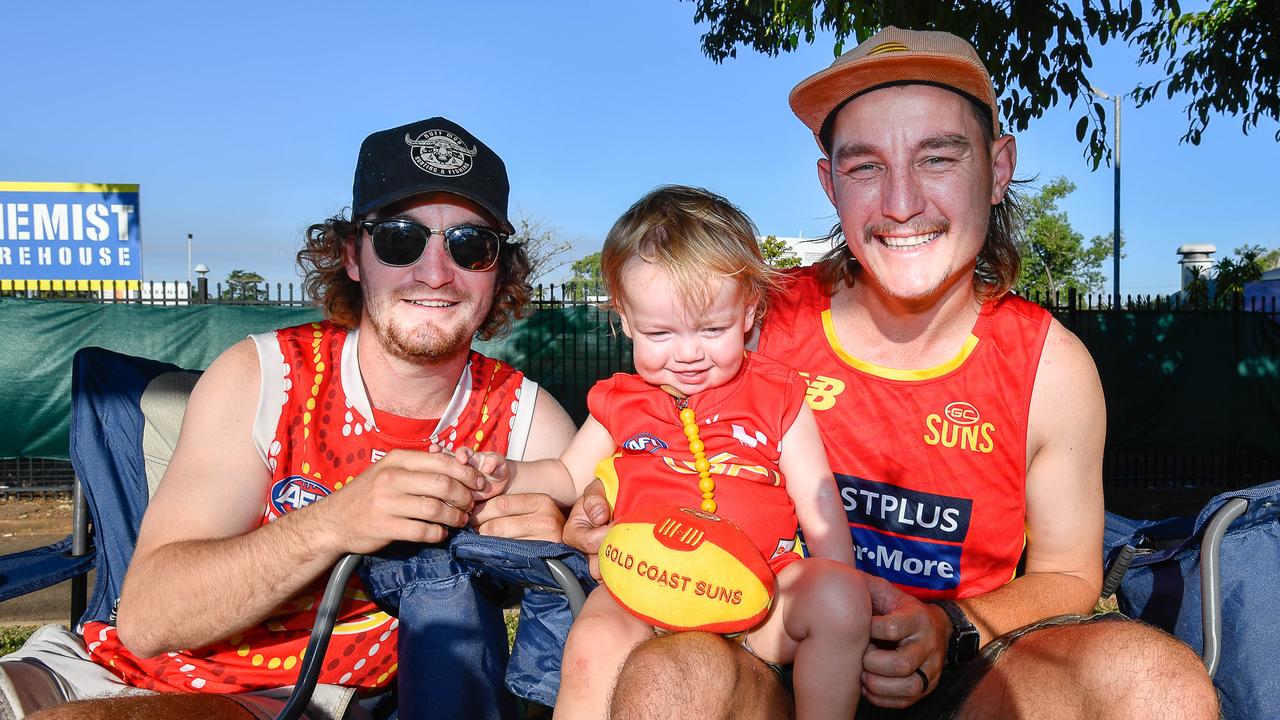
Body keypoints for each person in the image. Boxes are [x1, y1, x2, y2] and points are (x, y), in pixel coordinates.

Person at [564, 27, 1220, 719]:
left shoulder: (1050, 364)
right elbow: (633, 439)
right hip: (766, 654)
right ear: (829, 182)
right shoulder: (751, 317)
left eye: (938, 158)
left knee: (1155, 682)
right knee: (675, 678)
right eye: (865, 167)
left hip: (967, 673)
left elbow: (1068, 575)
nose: (902, 202)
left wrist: (953, 626)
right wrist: (585, 513)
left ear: (998, 169)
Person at [3, 117, 577, 720]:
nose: (435, 272)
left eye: (470, 244)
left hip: (285, 699)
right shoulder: (264, 378)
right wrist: (335, 522)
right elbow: (147, 619)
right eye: (401, 240)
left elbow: (617, 571)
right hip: (93, 667)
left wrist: (564, 542)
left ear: (499, 270)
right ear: (354, 255)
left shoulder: (528, 424)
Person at [468, 185, 871, 719]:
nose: (686, 354)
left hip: (762, 593)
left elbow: (819, 501)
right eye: (659, 332)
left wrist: (840, 576)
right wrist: (510, 473)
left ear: (749, 310)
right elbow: (568, 473)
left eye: (711, 329)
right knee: (590, 646)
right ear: (626, 319)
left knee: (840, 597)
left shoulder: (779, 393)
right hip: (644, 585)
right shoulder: (620, 400)